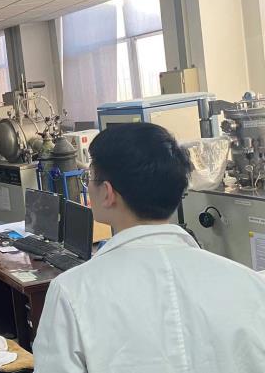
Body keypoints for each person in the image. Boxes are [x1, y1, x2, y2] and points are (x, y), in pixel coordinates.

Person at [33, 123, 265, 372]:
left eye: (89, 178)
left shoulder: (72, 292)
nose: (87, 186)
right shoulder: (250, 285)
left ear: (108, 193)